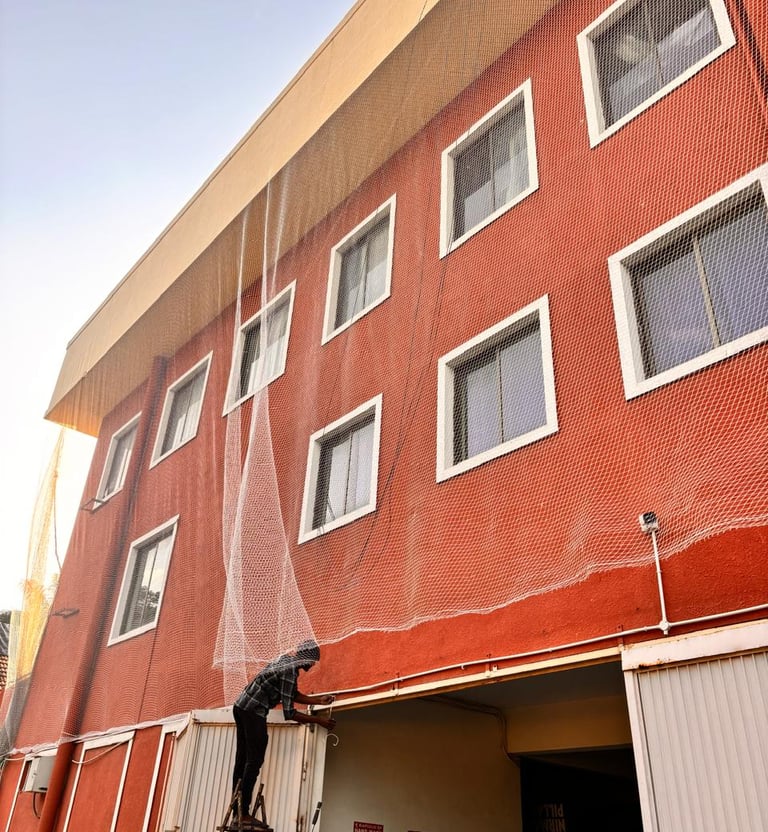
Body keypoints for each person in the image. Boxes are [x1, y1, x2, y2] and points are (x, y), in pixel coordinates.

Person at [231, 639, 335, 828]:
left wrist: (318, 700)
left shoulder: (284, 661)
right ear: (306, 657)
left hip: (241, 707)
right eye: (312, 661)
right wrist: (320, 721)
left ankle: (237, 812)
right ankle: (243, 814)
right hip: (253, 711)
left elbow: (291, 694)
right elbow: (290, 713)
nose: (312, 666)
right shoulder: (290, 671)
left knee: (242, 759)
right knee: (254, 761)